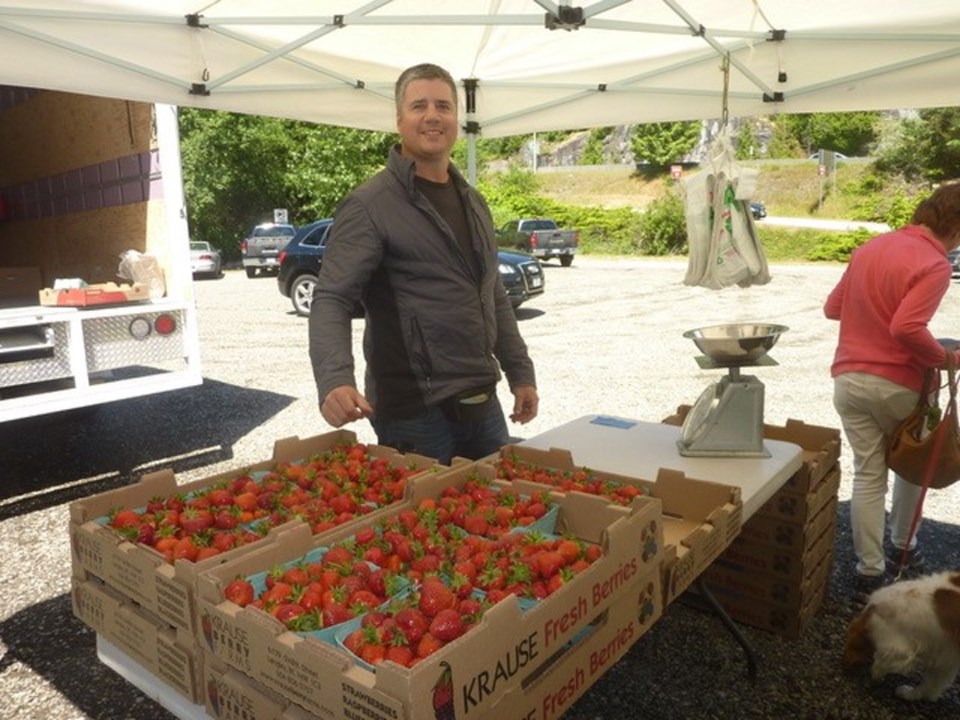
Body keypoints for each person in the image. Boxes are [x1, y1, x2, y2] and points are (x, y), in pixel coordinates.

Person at [308, 63, 538, 465]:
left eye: (443, 106)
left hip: (483, 401)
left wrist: (521, 372)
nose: (433, 115)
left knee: (500, 514)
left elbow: (493, 293)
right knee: (429, 523)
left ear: (456, 121)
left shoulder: (473, 201)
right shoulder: (369, 204)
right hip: (414, 412)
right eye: (419, 106)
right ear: (400, 120)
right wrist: (334, 380)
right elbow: (332, 298)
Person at [824, 181, 960, 609]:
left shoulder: (871, 247)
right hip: (898, 383)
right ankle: (903, 546)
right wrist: (944, 358)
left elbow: (833, 308)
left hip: (848, 379)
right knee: (910, 464)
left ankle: (868, 572)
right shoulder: (934, 264)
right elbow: (905, 327)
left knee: (868, 474)